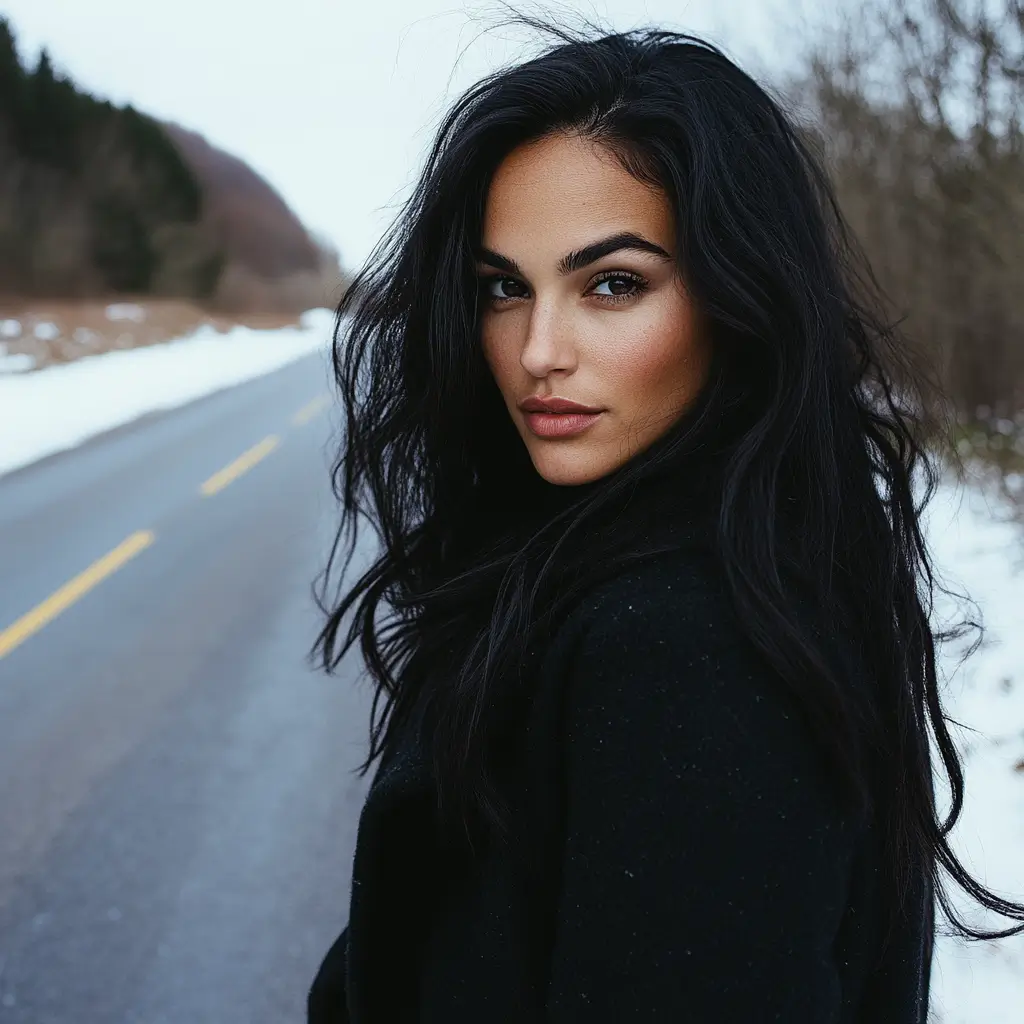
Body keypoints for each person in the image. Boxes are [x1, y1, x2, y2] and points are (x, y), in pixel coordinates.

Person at [306, 18, 1024, 1024]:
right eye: (502, 288)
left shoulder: (685, 643)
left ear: (738, 297)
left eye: (613, 284)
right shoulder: (684, 551)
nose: (535, 349)